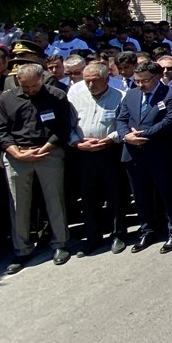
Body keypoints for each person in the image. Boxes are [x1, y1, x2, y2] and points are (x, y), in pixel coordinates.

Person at [0, 63, 74, 274]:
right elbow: (0, 131)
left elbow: (64, 126)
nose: (30, 90)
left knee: (54, 199)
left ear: (42, 79)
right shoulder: (6, 98)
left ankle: (60, 244)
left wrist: (46, 147)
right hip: (17, 154)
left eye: (34, 86)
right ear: (18, 81)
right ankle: (22, 249)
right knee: (18, 203)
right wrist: (17, 153)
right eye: (25, 86)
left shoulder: (56, 95)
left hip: (49, 150)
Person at [117, 60, 172, 255]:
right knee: (141, 196)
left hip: (159, 153)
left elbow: (168, 121)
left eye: (144, 81)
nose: (140, 85)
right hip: (133, 154)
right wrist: (126, 136)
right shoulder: (131, 94)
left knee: (167, 194)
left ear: (156, 77)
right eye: (137, 81)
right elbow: (121, 118)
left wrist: (143, 135)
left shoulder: (171, 94)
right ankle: (147, 231)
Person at [67, 62, 127, 256]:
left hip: (110, 152)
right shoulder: (75, 97)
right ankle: (93, 237)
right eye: (87, 81)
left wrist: (110, 139)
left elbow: (124, 124)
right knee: (89, 197)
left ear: (107, 79)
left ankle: (118, 234)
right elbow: (68, 125)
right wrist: (77, 143)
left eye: (95, 81)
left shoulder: (120, 97)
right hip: (84, 153)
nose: (91, 85)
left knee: (115, 195)